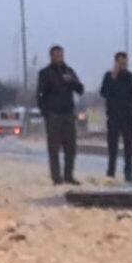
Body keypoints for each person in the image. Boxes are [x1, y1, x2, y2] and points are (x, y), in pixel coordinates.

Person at [36, 45, 85, 185]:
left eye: (61, 55)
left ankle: (69, 176)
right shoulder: (45, 73)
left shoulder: (69, 71)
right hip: (53, 115)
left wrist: (72, 81)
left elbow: (80, 89)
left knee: (71, 147)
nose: (58, 58)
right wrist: (45, 112)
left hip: (68, 114)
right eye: (56, 55)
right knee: (54, 148)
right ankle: (56, 178)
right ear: (51, 56)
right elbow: (40, 95)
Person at [100, 51, 132, 182]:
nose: (124, 65)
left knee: (129, 147)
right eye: (121, 63)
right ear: (116, 62)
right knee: (112, 147)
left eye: (125, 63)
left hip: (128, 118)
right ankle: (110, 173)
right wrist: (113, 77)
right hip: (113, 117)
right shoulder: (108, 76)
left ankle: (128, 174)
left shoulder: (129, 77)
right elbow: (104, 92)